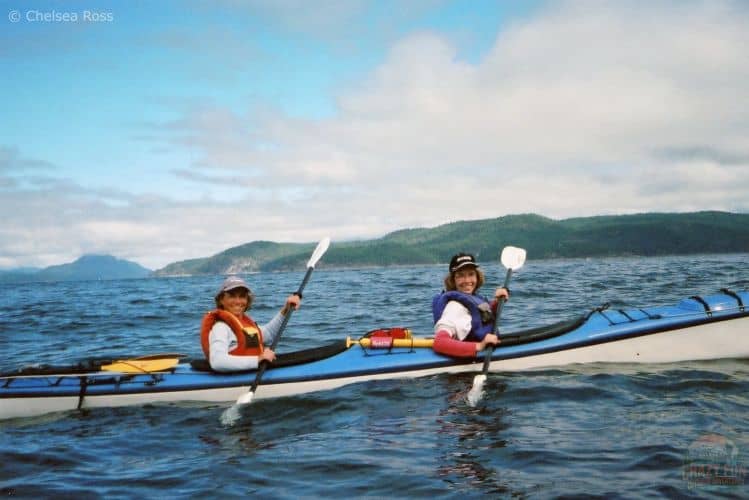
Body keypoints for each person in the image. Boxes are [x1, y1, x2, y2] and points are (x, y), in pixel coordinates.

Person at [200, 275, 301, 372]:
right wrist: (257, 359)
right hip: (233, 379)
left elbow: (269, 334)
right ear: (221, 300)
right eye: (232, 296)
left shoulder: (246, 324)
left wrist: (286, 309)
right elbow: (217, 362)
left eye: (242, 296)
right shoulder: (220, 327)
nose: (238, 301)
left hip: (249, 373)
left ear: (247, 300)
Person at [432, 253, 510, 357]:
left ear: (477, 277)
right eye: (460, 275)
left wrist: (497, 302)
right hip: (466, 369)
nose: (467, 280)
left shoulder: (473, 299)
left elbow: (480, 316)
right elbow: (440, 342)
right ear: (452, 280)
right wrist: (479, 346)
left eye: (471, 274)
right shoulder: (455, 307)